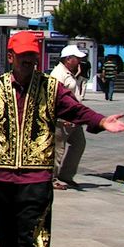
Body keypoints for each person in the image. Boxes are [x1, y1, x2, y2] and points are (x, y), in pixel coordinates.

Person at [0, 31, 124, 247]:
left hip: (36, 175)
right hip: (1, 175)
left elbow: (76, 110)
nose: (30, 64)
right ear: (11, 58)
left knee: (31, 230)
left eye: (33, 59)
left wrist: (102, 121)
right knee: (4, 231)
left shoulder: (51, 88)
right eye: (24, 59)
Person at [49, 45, 88, 190]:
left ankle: (66, 175)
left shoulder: (73, 73)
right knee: (58, 148)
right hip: (62, 118)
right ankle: (51, 179)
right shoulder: (58, 74)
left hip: (74, 116)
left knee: (79, 143)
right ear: (68, 59)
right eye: (76, 58)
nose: (79, 61)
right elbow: (53, 97)